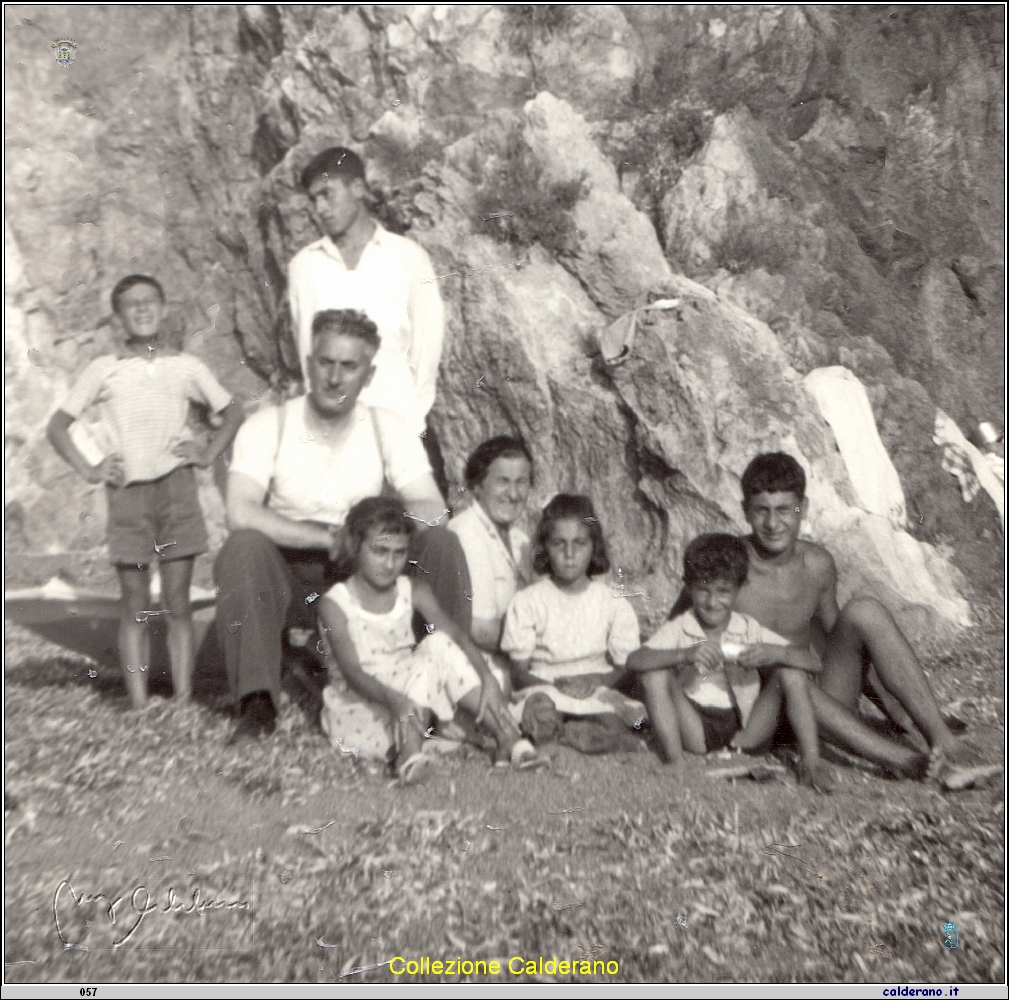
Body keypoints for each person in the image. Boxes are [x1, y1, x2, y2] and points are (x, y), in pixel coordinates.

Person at [214, 307, 468, 742]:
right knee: (242, 548)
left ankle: (457, 693)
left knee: (442, 544)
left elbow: (433, 507)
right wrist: (324, 537)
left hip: (365, 567)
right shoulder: (267, 425)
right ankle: (256, 703)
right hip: (293, 567)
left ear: (367, 376)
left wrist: (371, 531)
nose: (334, 377)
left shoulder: (387, 427)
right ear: (309, 364)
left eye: (349, 366)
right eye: (325, 362)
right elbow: (240, 510)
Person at [46, 274, 244, 708]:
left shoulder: (186, 366)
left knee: (177, 601)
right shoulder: (104, 368)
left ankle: (183, 700)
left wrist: (207, 452)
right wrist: (90, 467)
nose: (142, 309)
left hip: (176, 490)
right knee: (133, 604)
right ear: (118, 317)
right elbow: (58, 426)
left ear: (163, 307)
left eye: (150, 301)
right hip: (127, 494)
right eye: (131, 304)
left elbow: (232, 411)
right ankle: (137, 705)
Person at [733, 452, 983, 784]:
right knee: (788, 672)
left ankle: (941, 738)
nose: (773, 523)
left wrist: (897, 712)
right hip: (765, 711)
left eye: (785, 510)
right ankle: (905, 761)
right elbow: (681, 630)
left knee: (864, 610)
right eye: (761, 511)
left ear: (803, 509)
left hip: (821, 704)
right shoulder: (728, 564)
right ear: (746, 512)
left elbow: (847, 644)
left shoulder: (817, 564)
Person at [317, 497, 545, 781]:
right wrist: (396, 701)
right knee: (422, 667)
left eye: (399, 553)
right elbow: (352, 673)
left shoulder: (411, 588)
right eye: (380, 551)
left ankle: (507, 736)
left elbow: (457, 636)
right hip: (363, 708)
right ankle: (409, 755)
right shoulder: (336, 604)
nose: (390, 563)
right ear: (354, 546)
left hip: (410, 695)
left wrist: (486, 676)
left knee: (438, 644)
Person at [627, 534, 835, 791]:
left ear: (740, 588)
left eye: (723, 591)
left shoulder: (747, 628)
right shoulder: (683, 626)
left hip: (746, 728)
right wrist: (684, 655)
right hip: (697, 727)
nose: (712, 602)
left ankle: (811, 763)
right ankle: (675, 762)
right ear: (688, 587)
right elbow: (635, 660)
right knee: (654, 676)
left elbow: (813, 663)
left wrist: (774, 653)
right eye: (703, 590)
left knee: (791, 674)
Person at [288, 146, 444, 438]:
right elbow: (307, 352)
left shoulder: (408, 257)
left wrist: (412, 421)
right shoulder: (304, 266)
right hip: (333, 434)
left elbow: (427, 349)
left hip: (398, 427)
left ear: (357, 188)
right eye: (313, 199)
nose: (320, 208)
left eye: (327, 194)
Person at [500, 495, 645, 752]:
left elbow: (627, 668)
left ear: (594, 547)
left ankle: (582, 733)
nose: (569, 554)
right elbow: (519, 673)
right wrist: (555, 686)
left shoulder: (612, 601)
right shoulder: (529, 601)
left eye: (579, 543)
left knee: (615, 719)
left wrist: (597, 680)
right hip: (546, 684)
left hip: (595, 687)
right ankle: (559, 731)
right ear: (545, 547)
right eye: (559, 543)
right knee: (541, 712)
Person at [448, 437, 535, 667]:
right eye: (503, 481)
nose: (513, 493)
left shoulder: (520, 540)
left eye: (521, 482)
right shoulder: (467, 532)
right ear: (477, 486)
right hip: (480, 667)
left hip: (517, 659)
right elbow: (480, 630)